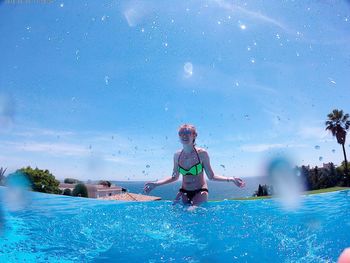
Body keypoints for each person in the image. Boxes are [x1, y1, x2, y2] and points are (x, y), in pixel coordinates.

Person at [144, 124, 245, 206]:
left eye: (187, 132)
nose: (184, 135)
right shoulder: (177, 155)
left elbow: (211, 176)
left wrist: (230, 179)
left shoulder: (202, 154)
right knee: (173, 210)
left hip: (200, 191)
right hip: (183, 191)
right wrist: (156, 184)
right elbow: (174, 177)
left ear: (194, 135)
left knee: (192, 212)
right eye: (181, 133)